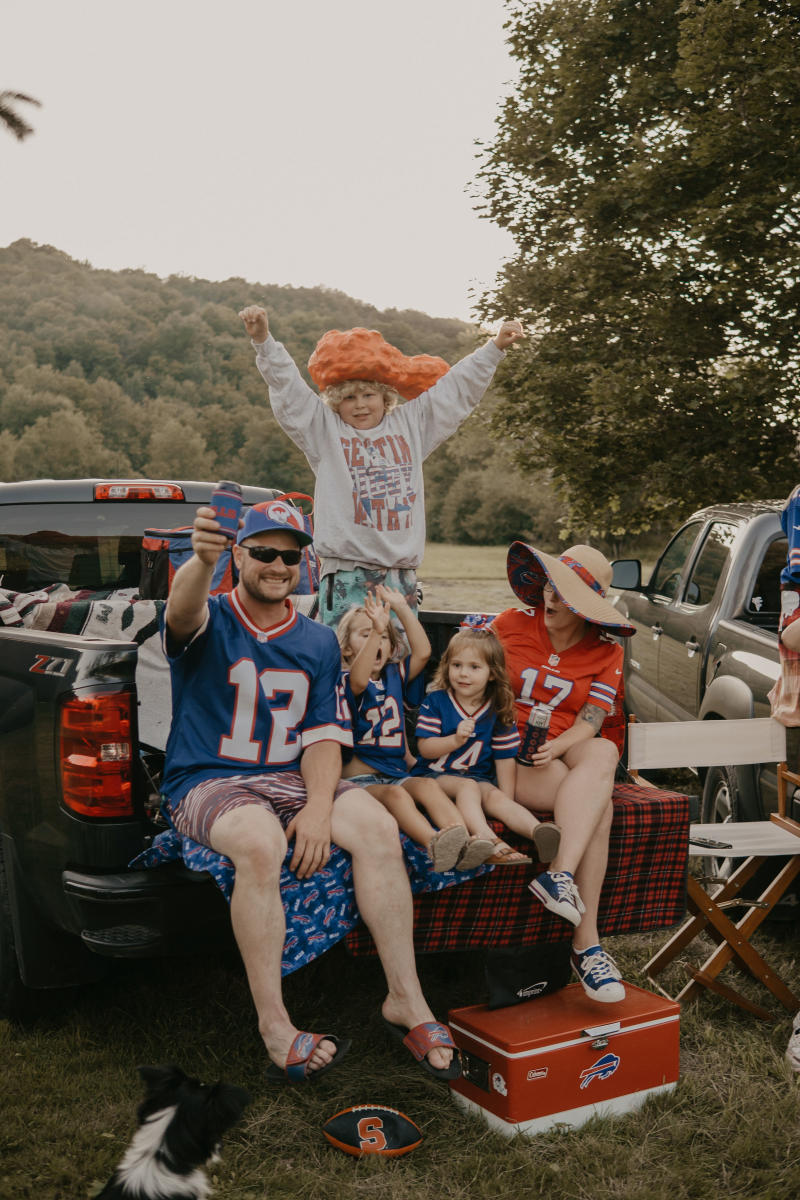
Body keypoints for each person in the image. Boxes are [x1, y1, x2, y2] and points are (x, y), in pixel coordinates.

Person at [160, 497, 460, 1082]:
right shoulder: (212, 615)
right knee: (259, 840)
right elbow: (180, 611)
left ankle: (406, 998)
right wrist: (199, 561)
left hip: (290, 775)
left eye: (290, 555)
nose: (277, 564)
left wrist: (320, 809)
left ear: (305, 563)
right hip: (207, 776)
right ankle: (275, 1024)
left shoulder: (320, 640)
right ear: (238, 554)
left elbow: (324, 738)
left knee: (377, 827)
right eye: (264, 552)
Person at [238, 304, 524, 627]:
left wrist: (494, 348)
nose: (360, 405)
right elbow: (288, 389)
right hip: (346, 576)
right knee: (348, 665)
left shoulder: (411, 425)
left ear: (385, 395)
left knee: (398, 660)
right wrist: (263, 341)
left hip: (400, 579)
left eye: (368, 394)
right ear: (335, 402)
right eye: (348, 398)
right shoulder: (326, 432)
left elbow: (455, 391)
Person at [491, 542, 636, 1004]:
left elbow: (591, 722)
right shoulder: (508, 625)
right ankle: (586, 945)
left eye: (566, 595)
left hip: (556, 750)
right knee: (600, 810)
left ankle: (560, 875)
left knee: (601, 754)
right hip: (503, 755)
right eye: (551, 587)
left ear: (587, 607)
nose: (552, 599)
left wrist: (556, 746)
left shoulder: (606, 653)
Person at [337, 585, 482, 871]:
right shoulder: (345, 681)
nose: (377, 640)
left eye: (384, 637)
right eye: (365, 634)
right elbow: (359, 679)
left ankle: (466, 841)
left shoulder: (394, 675)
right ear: (346, 647)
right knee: (397, 796)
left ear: (392, 646)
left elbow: (424, 652)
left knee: (427, 785)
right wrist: (379, 630)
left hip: (396, 774)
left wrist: (400, 607)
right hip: (359, 782)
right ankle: (435, 844)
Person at [410, 625, 558, 866]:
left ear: (492, 673)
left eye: (474, 667)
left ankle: (538, 832)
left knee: (494, 796)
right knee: (468, 786)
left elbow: (504, 759)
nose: (463, 674)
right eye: (456, 665)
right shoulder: (436, 702)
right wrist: (454, 740)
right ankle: (490, 840)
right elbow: (425, 749)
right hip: (435, 775)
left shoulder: (496, 708)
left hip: (478, 778)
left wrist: (505, 798)